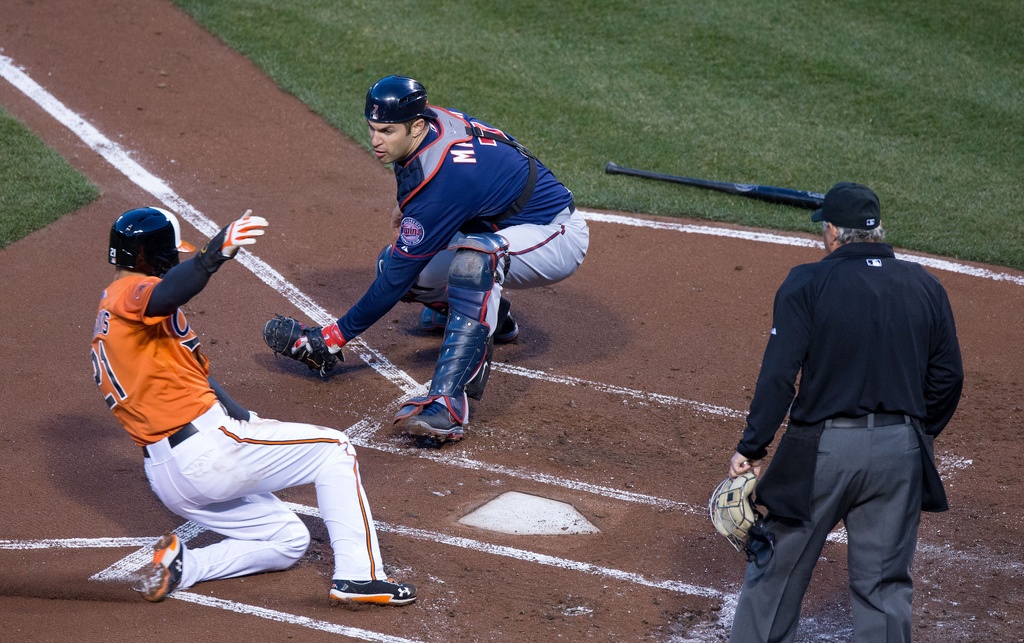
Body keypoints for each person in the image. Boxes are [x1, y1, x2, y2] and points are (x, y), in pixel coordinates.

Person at [90, 206, 416, 606]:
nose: (175, 259)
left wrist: (237, 411)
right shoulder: (129, 294)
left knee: (288, 540)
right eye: (171, 254)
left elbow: (190, 373)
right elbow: (166, 292)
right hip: (205, 453)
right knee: (334, 451)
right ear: (152, 256)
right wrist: (212, 256)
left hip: (170, 477)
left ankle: (184, 566)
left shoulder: (112, 326)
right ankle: (358, 578)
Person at [276, 75, 589, 444]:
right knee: (396, 264)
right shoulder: (432, 124)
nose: (376, 140)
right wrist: (410, 205)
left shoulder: (445, 180)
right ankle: (498, 320)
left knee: (472, 262)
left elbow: (396, 280)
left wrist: (332, 337)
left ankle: (449, 404)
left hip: (554, 234)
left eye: (387, 131)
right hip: (496, 222)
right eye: (372, 128)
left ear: (416, 126)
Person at [724, 183, 963, 642]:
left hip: (823, 453)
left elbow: (778, 377)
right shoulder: (925, 285)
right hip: (902, 452)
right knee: (884, 587)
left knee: (776, 571)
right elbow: (949, 378)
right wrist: (916, 433)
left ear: (833, 231)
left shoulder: (807, 282)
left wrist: (751, 447)